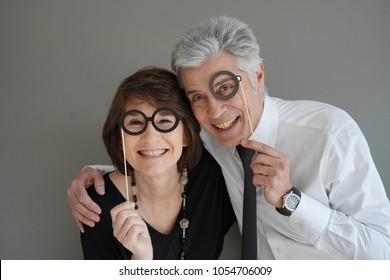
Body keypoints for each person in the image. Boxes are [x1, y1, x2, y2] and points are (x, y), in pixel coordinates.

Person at [68, 16, 390, 259]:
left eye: (225, 88)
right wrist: (96, 174)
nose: (216, 112)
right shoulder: (212, 141)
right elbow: (159, 148)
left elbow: (383, 251)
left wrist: (293, 201)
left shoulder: (330, 134)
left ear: (258, 75)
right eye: (197, 97)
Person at [79, 67, 235, 260]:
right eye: (135, 122)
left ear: (186, 135)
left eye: (165, 121)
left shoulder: (213, 176)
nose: (151, 137)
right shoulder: (95, 207)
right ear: (120, 139)